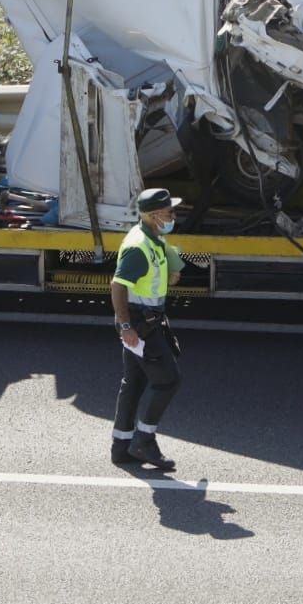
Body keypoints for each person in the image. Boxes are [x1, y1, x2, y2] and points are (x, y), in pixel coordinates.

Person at [109, 188, 187, 470]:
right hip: (141, 326)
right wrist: (127, 326)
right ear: (154, 216)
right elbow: (117, 286)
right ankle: (144, 440)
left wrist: (171, 273)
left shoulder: (154, 238)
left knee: (134, 383)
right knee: (168, 381)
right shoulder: (138, 247)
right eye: (169, 212)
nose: (173, 216)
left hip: (142, 322)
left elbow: (155, 276)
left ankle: (121, 446)